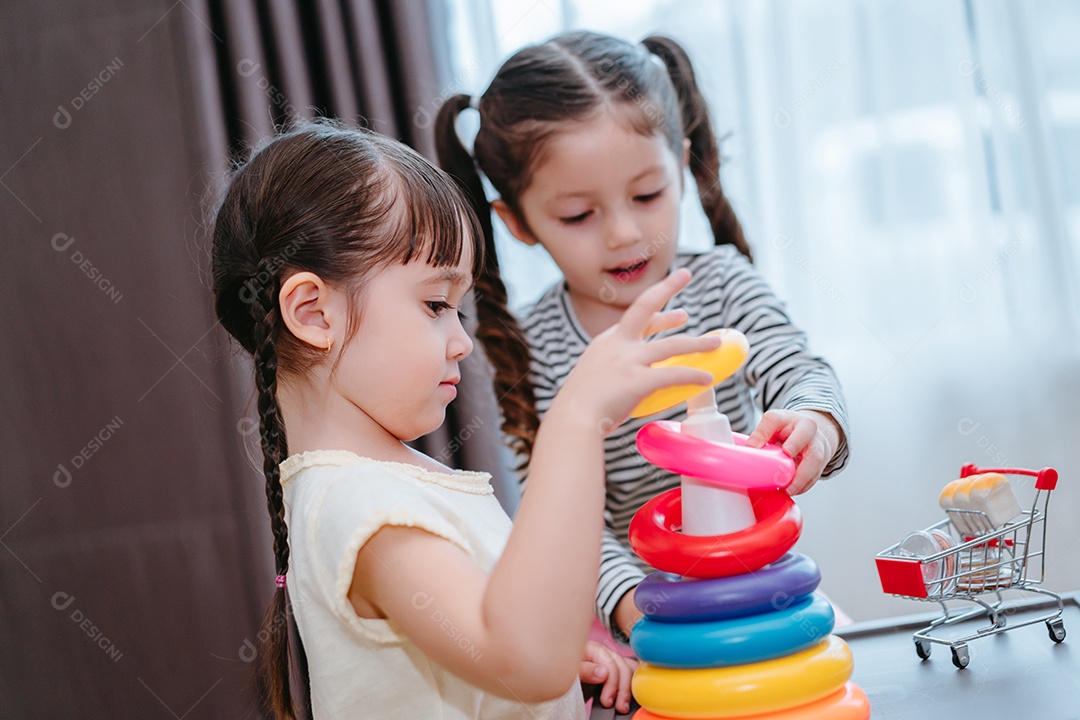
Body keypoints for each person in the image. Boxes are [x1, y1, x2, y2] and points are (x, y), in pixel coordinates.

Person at [209, 121, 723, 718]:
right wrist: (574, 421)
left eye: (459, 309)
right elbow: (523, 660)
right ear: (312, 312)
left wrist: (563, 663)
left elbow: (502, 646)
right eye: (435, 305)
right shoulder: (359, 507)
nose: (462, 343)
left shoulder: (386, 486)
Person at [435, 31, 852, 643]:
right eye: (579, 215)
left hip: (756, 591)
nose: (625, 234)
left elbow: (801, 371)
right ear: (519, 221)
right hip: (635, 618)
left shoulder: (721, 287)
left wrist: (816, 420)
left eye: (648, 194)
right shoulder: (538, 342)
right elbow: (564, 511)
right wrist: (632, 608)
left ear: (680, 168)